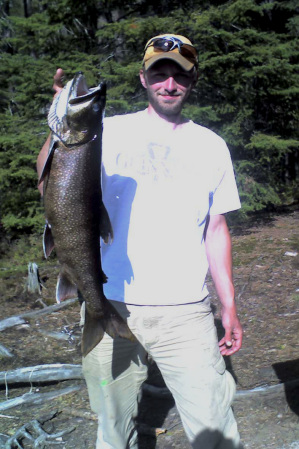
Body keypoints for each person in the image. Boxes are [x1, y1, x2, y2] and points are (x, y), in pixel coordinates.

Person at [37, 34, 243, 449]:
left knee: (215, 431)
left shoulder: (212, 146)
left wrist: (230, 304)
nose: (169, 84)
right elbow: (47, 178)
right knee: (112, 429)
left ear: (192, 80)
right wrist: (57, 125)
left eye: (179, 76)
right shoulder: (102, 130)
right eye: (159, 74)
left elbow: (216, 229)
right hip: (108, 300)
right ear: (144, 78)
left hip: (186, 313)